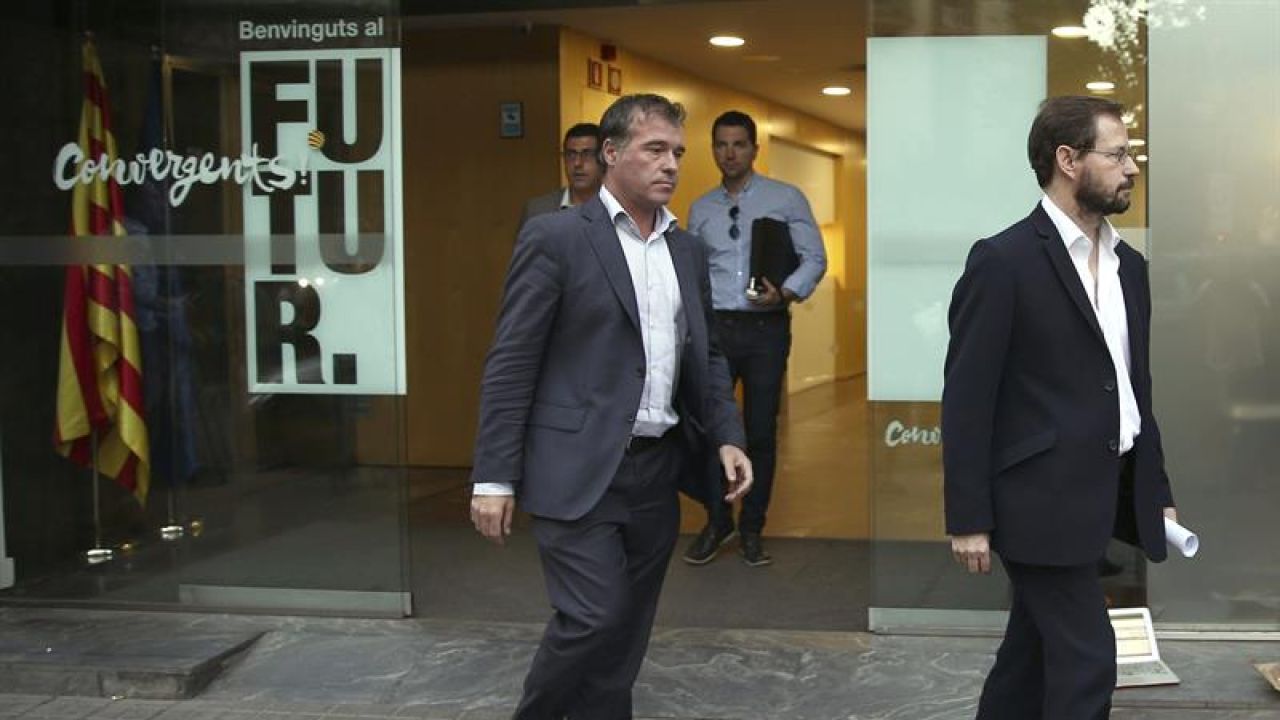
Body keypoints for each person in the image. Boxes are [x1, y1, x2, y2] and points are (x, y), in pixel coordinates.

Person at [470, 93, 752, 720]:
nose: (671, 164)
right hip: (576, 466)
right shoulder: (557, 238)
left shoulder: (687, 250)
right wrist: (493, 477)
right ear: (611, 153)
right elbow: (512, 361)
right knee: (594, 616)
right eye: (655, 149)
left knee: (627, 630)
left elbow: (705, 355)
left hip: (656, 470)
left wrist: (728, 435)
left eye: (677, 152)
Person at [943, 95, 1179, 720]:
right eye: (1118, 155)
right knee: (1088, 658)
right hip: (1035, 502)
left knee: (1028, 661)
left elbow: (1134, 388)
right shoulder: (1003, 261)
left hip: (1101, 493)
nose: (1132, 168)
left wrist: (1155, 489)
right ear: (1068, 160)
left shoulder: (1130, 268)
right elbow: (967, 399)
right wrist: (968, 516)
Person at [682, 110, 827, 567]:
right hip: (716, 330)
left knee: (760, 431)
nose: (730, 154)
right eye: (721, 145)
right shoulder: (700, 208)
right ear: (713, 150)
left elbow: (814, 258)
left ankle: (752, 528)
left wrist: (784, 292)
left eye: (739, 144)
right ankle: (717, 520)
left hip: (766, 328)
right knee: (712, 428)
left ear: (754, 149)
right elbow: (691, 271)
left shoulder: (785, 198)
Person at [518, 122, 604, 228]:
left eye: (587, 154)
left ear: (604, 158)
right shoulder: (538, 211)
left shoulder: (617, 208)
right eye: (571, 154)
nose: (577, 163)